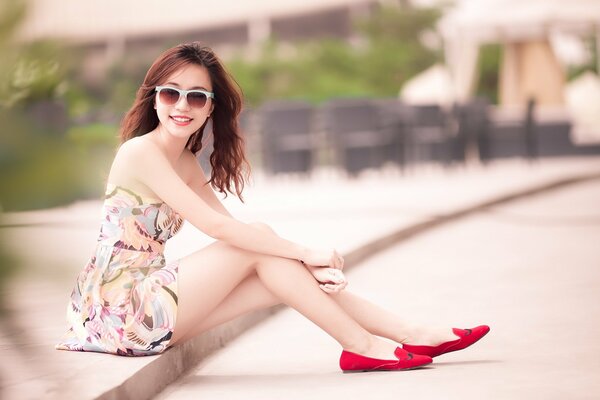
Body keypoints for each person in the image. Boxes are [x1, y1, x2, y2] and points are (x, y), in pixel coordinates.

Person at [56, 42, 489, 372]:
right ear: (154, 99)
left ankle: (409, 333)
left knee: (278, 271)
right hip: (120, 308)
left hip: (146, 308)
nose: (182, 106)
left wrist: (302, 264)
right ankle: (365, 346)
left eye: (197, 97)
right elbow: (221, 231)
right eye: (171, 94)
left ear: (210, 108)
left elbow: (232, 228)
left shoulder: (184, 161)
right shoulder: (140, 152)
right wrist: (307, 252)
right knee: (264, 245)